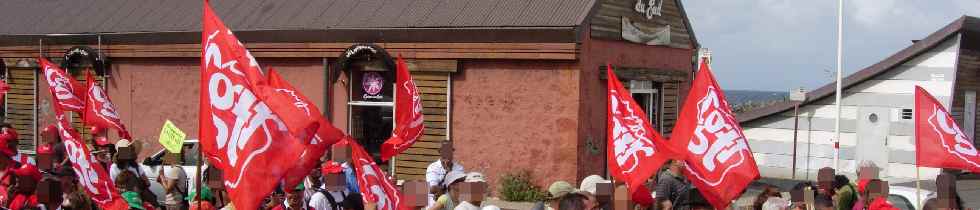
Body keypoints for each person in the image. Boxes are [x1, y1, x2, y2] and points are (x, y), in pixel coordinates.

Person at [425, 141, 464, 209]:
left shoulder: (459, 168)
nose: (447, 153)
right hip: (434, 205)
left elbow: (460, 189)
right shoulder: (432, 167)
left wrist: (449, 173)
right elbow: (433, 189)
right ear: (440, 153)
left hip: (452, 205)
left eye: (449, 151)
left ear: (452, 152)